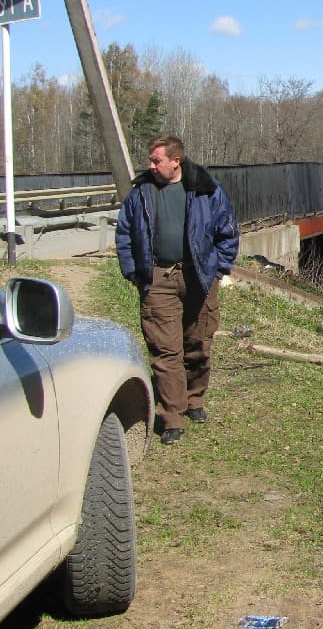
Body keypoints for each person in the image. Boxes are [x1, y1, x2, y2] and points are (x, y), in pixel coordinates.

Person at [116, 134, 239, 445]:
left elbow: (227, 230)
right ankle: (172, 416)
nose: (151, 165)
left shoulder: (205, 189)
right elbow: (125, 233)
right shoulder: (141, 192)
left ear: (176, 161)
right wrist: (134, 273)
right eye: (150, 160)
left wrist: (218, 269)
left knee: (198, 344)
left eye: (156, 160)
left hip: (198, 277)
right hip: (158, 279)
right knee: (165, 350)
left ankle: (195, 400)